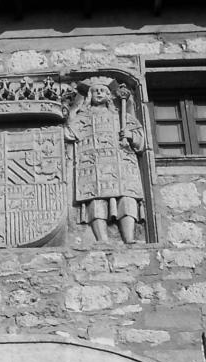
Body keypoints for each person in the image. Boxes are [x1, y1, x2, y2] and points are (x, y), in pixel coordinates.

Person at [65, 77, 145, 244]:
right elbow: (69, 133)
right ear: (89, 96)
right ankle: (102, 239)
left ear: (109, 96)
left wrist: (130, 135)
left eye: (102, 91)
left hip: (121, 162)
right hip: (93, 164)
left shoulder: (123, 117)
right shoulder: (84, 118)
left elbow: (140, 140)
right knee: (96, 200)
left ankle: (129, 238)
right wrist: (74, 112)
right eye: (95, 91)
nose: (99, 93)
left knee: (127, 198)